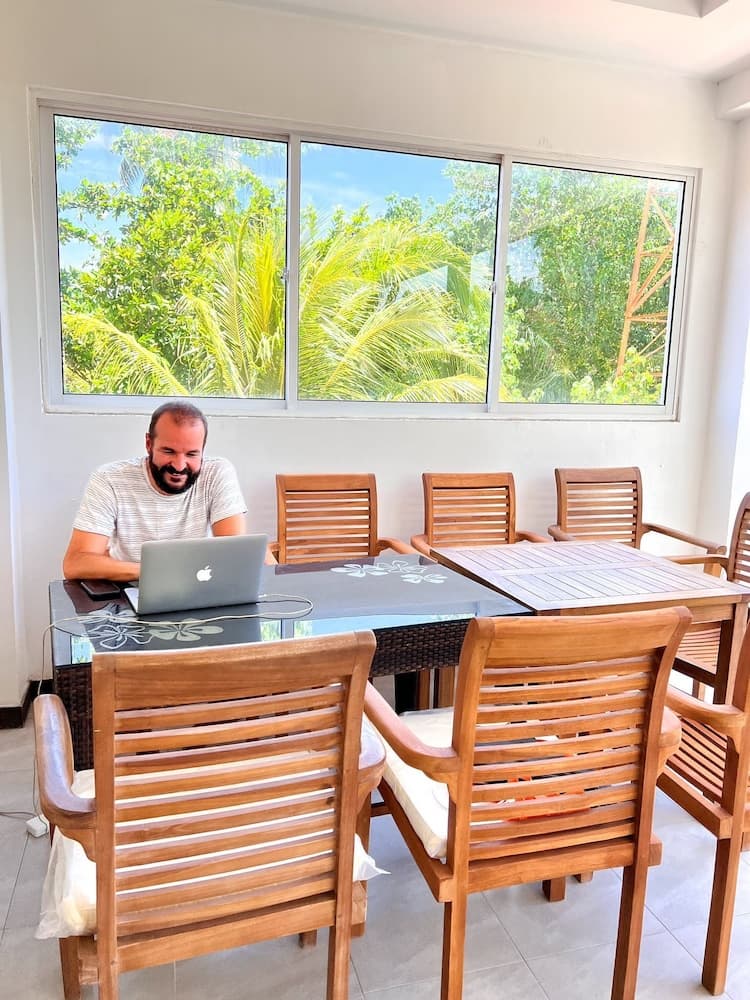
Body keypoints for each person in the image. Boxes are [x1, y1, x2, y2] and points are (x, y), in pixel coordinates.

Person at [63, 401, 247, 581]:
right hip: (131, 586)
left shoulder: (217, 473)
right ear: (149, 444)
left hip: (198, 584)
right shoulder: (109, 478)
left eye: (191, 454)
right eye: (169, 451)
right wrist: (159, 573)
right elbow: (76, 563)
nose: (179, 466)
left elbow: (236, 554)